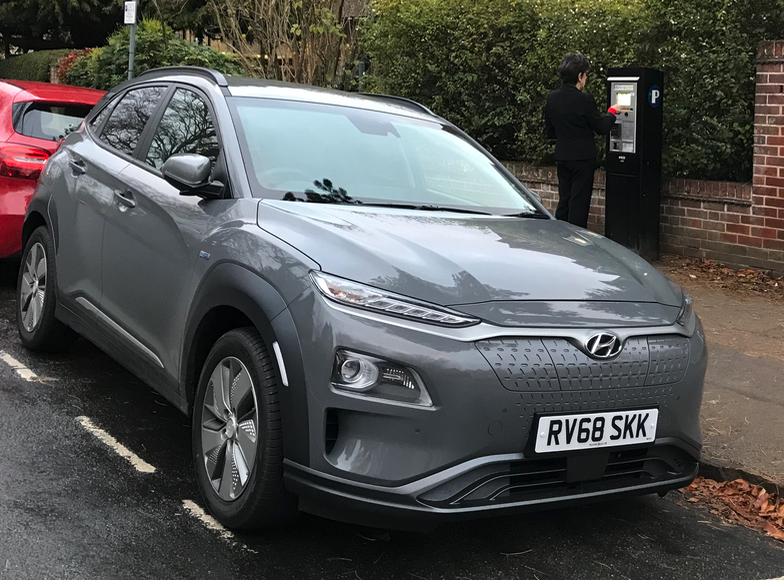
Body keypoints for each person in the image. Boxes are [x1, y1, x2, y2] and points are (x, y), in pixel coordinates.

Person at [545, 53, 620, 228]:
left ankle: (560, 235)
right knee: (579, 201)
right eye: (585, 75)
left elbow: (550, 132)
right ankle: (577, 240)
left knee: (565, 199)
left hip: (562, 156)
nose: (585, 79)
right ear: (580, 76)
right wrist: (612, 112)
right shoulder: (584, 100)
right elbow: (601, 127)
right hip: (583, 158)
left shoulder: (552, 98)